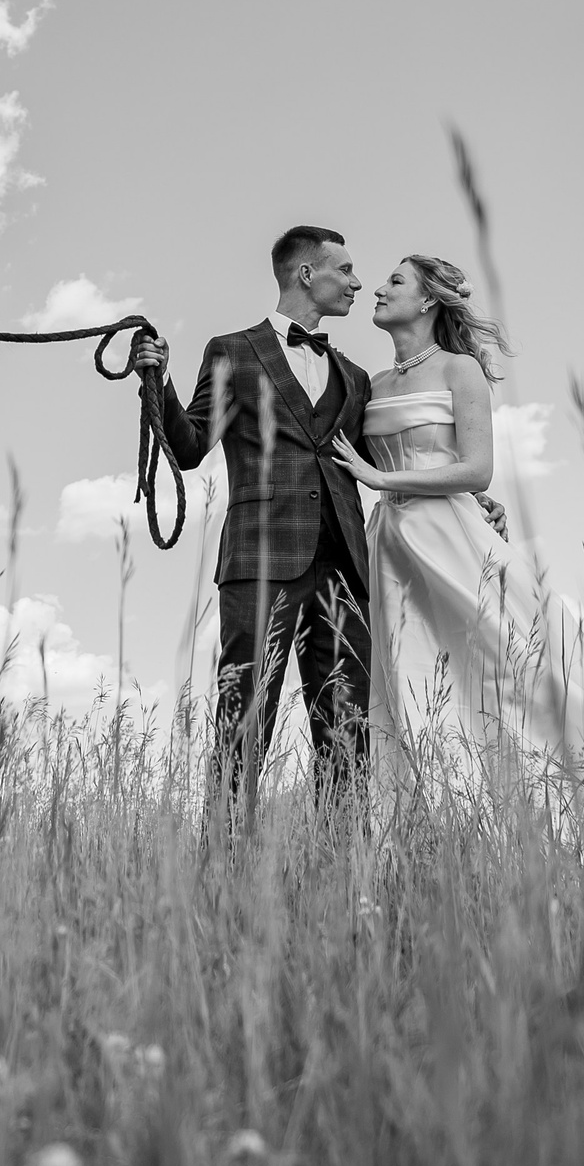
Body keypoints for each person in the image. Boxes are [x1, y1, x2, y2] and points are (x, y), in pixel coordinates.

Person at [328, 255, 584, 774]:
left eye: (395, 282)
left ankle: (539, 778)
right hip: (388, 542)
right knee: (402, 677)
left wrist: (384, 480)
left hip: (451, 538)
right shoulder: (372, 383)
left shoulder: (460, 369)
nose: (378, 290)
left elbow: (476, 470)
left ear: (429, 300)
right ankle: (424, 810)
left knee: (492, 664)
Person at [131, 226, 373, 814]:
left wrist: (470, 501)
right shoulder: (232, 350)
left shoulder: (357, 378)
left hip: (344, 565)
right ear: (306, 275)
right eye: (345, 270)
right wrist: (155, 382)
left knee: (348, 729)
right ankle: (226, 864)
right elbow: (189, 448)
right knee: (244, 718)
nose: (357, 282)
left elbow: (378, 466)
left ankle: (343, 873)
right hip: (260, 557)